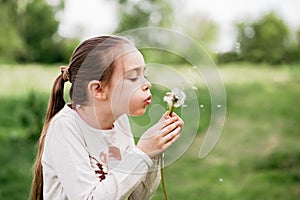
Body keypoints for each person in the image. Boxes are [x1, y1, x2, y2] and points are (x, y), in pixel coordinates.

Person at [30, 36, 184, 200]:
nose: (147, 84)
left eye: (144, 74)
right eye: (133, 77)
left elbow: (134, 196)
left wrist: (152, 153)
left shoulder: (120, 122)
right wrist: (141, 154)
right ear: (98, 89)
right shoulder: (66, 127)